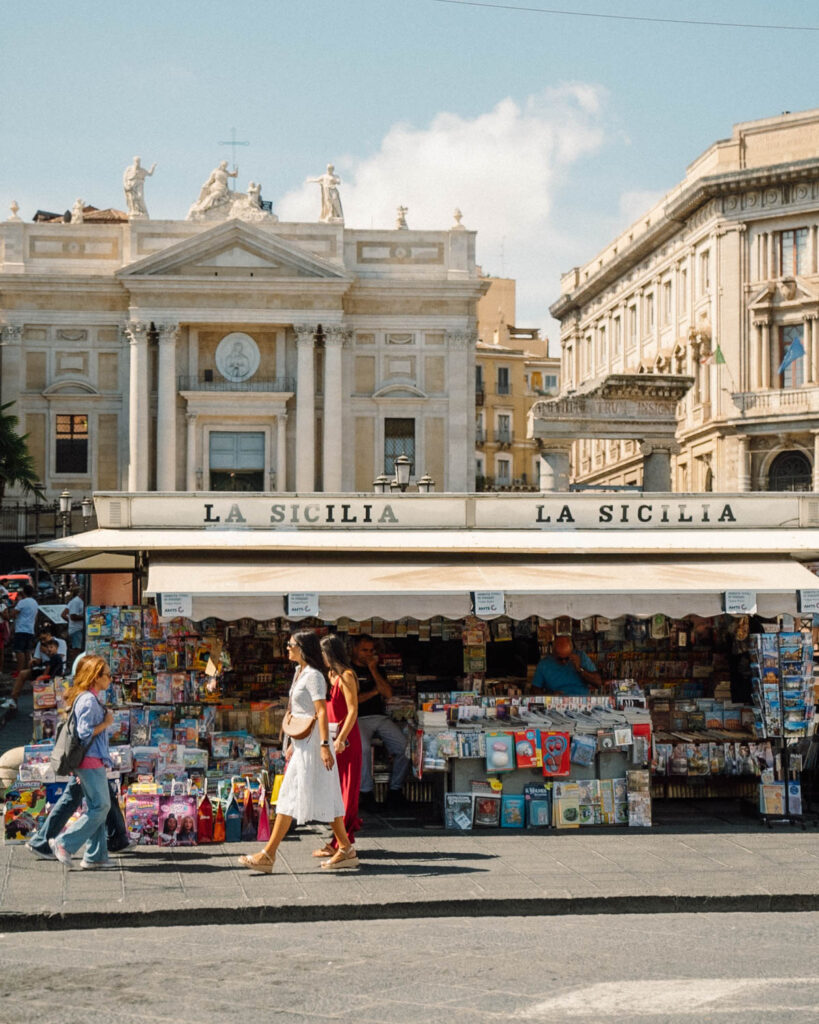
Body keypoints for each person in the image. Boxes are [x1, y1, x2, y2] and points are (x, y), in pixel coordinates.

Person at [238, 630, 358, 873]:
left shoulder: (314, 676)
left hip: (314, 746)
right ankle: (345, 848)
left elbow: (321, 712)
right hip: (304, 744)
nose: (287, 648)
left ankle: (268, 854)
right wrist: (294, 742)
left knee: (291, 795)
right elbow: (304, 713)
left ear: (302, 648)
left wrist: (325, 745)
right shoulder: (299, 672)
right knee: (320, 794)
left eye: (291, 644)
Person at [48, 655, 117, 869]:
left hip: (90, 760)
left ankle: (96, 856)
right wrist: (106, 723)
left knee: (97, 806)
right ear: (96, 677)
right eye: (107, 675)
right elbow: (84, 734)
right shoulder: (88, 699)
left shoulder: (89, 697)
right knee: (102, 806)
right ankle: (64, 843)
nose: (110, 679)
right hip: (89, 761)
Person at [312, 634, 362, 858]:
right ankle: (337, 840)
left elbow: (353, 710)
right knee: (335, 788)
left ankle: (342, 842)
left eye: (323, 653)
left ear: (330, 653)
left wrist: (342, 737)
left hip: (346, 739)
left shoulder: (347, 675)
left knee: (346, 790)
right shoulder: (331, 675)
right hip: (334, 738)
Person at [350, 634, 409, 811]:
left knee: (404, 747)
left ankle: (395, 790)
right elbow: (354, 700)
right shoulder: (349, 670)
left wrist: (373, 670)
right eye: (364, 650)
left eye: (371, 650)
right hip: (358, 718)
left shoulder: (377, 668)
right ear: (354, 649)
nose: (368, 654)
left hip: (380, 717)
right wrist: (376, 692)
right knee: (364, 749)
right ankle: (366, 792)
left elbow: (388, 693)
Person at [531, 636, 602, 696]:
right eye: (560, 659)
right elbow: (535, 689)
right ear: (553, 654)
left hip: (581, 701)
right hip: (556, 703)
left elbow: (598, 683)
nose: (564, 661)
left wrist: (580, 669)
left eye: (567, 658)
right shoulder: (544, 664)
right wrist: (549, 696)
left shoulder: (581, 657)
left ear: (572, 652)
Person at [11, 629, 67, 704]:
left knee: (40, 679)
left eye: (44, 638)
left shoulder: (60, 642)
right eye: (41, 639)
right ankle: (14, 699)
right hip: (42, 668)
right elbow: (38, 659)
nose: (43, 641)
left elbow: (59, 657)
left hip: (55, 670)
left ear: (49, 635)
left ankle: (40, 704)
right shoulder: (40, 644)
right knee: (22, 674)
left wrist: (46, 651)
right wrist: (33, 661)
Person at [10, 583, 39, 690]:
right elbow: (36, 617)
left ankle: (20, 671)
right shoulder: (35, 603)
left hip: (21, 628)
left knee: (19, 651)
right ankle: (28, 671)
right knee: (27, 651)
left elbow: (14, 613)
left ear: (24, 592)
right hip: (30, 629)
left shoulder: (22, 602)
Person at [62, 586, 84, 658]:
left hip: (77, 629)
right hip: (76, 630)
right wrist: (86, 617)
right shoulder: (76, 602)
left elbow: (64, 614)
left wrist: (70, 622)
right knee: (76, 650)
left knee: (77, 649)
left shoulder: (73, 602)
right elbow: (72, 616)